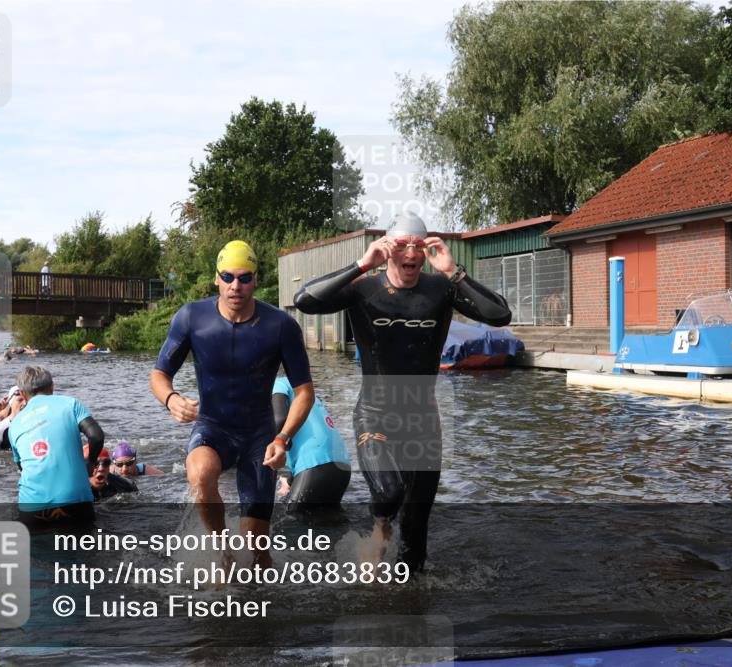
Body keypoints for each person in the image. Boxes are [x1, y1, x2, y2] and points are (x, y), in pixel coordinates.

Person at [294, 211, 512, 572]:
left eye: (417, 246)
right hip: (376, 413)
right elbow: (305, 301)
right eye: (401, 245)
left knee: (416, 528)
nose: (410, 254)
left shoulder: (440, 288)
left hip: (423, 419)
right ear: (388, 248)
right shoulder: (364, 287)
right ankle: (379, 531)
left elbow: (500, 315)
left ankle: (412, 604)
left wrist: (453, 271)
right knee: (389, 493)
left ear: (425, 251)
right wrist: (361, 265)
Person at [149, 239, 314, 568]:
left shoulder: (280, 326)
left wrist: (283, 439)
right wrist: (171, 399)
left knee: (257, 553)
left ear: (255, 279)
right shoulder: (192, 317)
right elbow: (159, 374)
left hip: (260, 438)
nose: (235, 286)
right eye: (227, 277)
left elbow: (305, 392)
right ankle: (220, 551)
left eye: (244, 277)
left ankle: (262, 609)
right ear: (216, 278)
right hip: (214, 428)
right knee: (199, 474)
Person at [7, 366, 105, 526]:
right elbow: (96, 436)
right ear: (52, 386)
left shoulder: (14, 424)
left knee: (36, 550)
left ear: (23, 394)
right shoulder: (70, 404)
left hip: (32, 507)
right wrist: (90, 461)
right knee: (83, 548)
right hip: (75, 502)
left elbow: (22, 467)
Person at [271, 377, 351, 511]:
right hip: (341, 466)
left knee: (292, 520)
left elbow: (279, 420)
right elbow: (309, 437)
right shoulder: (303, 389)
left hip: (314, 465)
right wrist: (291, 480)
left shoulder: (278, 384)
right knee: (328, 520)